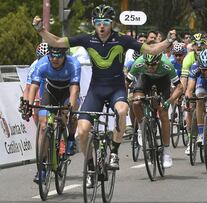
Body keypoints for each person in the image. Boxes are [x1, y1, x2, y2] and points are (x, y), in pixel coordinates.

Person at [32, 4, 177, 187]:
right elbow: (58, 42)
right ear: (94, 23)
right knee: (83, 131)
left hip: (116, 88)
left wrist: (168, 42)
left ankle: (114, 152)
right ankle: (91, 167)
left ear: (112, 23)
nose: (102, 26)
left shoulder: (122, 40)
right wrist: (41, 30)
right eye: (98, 22)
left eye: (106, 22)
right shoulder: (87, 39)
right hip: (96, 90)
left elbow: (151, 51)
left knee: (123, 110)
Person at [22, 47, 81, 183]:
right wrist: (29, 104)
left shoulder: (73, 64)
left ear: (64, 56)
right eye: (52, 56)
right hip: (51, 92)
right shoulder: (42, 63)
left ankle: (71, 138)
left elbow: (74, 89)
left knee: (70, 111)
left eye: (58, 57)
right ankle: (41, 168)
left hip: (68, 91)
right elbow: (34, 86)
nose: (54, 59)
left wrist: (70, 108)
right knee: (43, 126)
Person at [127, 53, 183, 168]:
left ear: (159, 62)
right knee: (136, 102)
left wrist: (169, 101)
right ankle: (141, 128)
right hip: (145, 79)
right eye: (147, 64)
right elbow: (126, 82)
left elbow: (180, 87)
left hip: (162, 81)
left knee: (163, 112)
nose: (150, 67)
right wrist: (125, 97)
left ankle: (166, 152)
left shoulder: (167, 65)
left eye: (153, 65)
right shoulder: (138, 63)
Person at [21, 42, 49, 124]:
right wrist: (26, 106)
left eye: (46, 58)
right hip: (41, 86)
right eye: (41, 58)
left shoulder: (56, 64)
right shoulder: (34, 66)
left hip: (54, 86)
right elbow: (28, 88)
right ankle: (40, 131)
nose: (44, 61)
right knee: (36, 107)